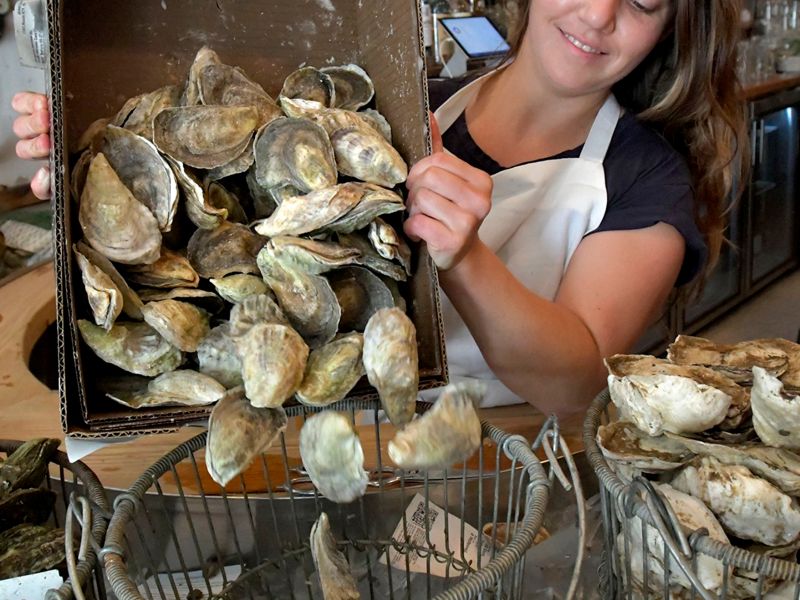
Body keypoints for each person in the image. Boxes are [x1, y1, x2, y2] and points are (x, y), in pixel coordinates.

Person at [12, 0, 747, 418]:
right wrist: (101, 166)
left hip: (504, 493)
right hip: (333, 454)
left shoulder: (649, 177)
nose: (598, 12)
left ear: (672, 29)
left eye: (644, 1)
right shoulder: (401, 103)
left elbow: (580, 379)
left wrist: (465, 257)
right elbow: (242, 224)